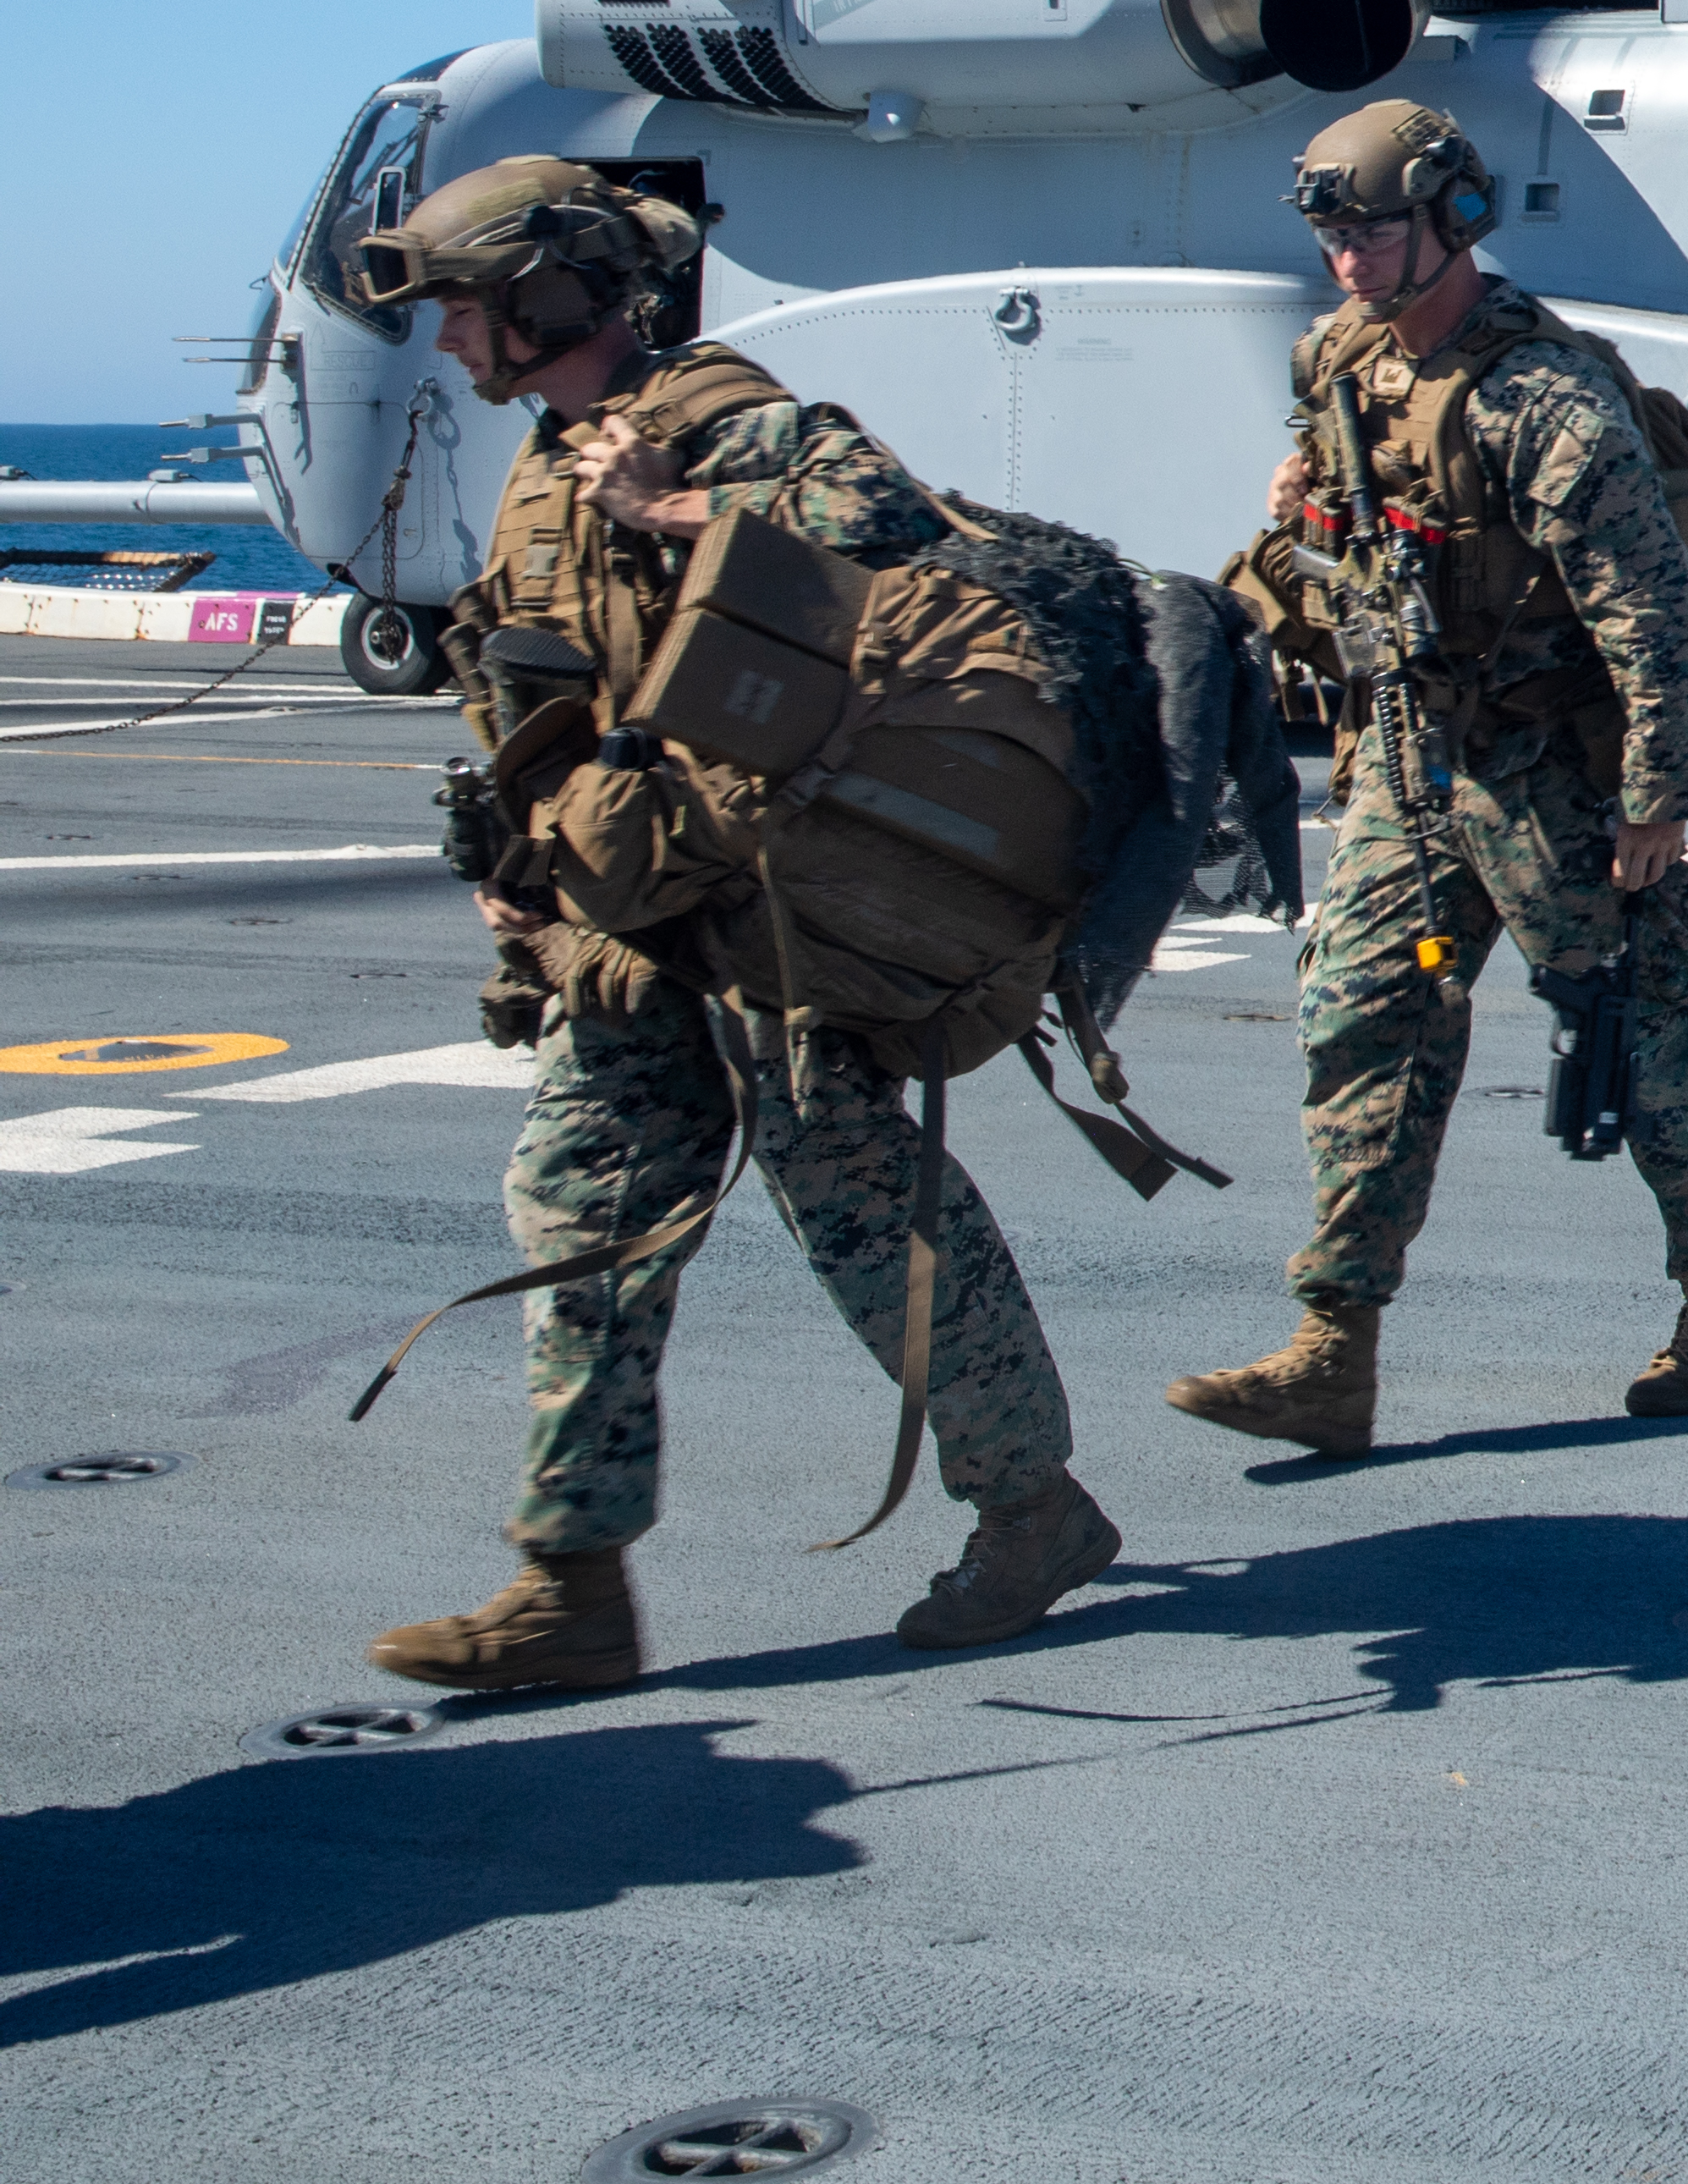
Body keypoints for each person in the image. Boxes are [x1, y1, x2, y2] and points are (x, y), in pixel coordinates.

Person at [349, 157, 1117, 1692]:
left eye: (458, 312)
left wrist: (679, 503)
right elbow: (536, 687)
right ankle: (571, 1586)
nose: (443, 345)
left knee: (861, 1211)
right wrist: (523, 881)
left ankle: (1031, 1510)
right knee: (580, 1214)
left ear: (541, 298)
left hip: (773, 906)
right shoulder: (546, 464)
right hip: (637, 919)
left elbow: (893, 527)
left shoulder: (720, 418)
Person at [1172, 101, 1688, 1455]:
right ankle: (1334, 1347)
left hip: (1554, 766)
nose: (1347, 256)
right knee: (1358, 1019)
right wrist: (1299, 525)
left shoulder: (1544, 399)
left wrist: (1657, 800)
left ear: (1449, 219)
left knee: (1648, 1030)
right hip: (1409, 751)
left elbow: (1649, 616)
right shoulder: (1339, 360)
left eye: (1372, 228)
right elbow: (1348, 543)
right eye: (1331, 232)